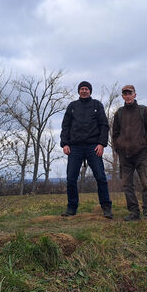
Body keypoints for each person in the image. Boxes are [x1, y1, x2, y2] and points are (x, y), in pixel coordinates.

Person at [60, 81, 113, 219]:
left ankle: (106, 208)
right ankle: (71, 208)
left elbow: (104, 125)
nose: (84, 91)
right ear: (79, 91)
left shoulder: (97, 105)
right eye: (82, 89)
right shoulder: (72, 106)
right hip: (75, 147)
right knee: (71, 178)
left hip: (93, 146)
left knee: (101, 177)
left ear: (90, 91)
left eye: (86, 89)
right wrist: (65, 144)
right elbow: (65, 126)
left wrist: (101, 144)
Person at [112, 85, 147, 221]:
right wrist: (117, 148)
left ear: (134, 95)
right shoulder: (119, 113)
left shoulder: (144, 111)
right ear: (122, 96)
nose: (127, 96)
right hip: (124, 156)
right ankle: (134, 213)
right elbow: (114, 133)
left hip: (141, 155)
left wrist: (146, 147)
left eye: (130, 93)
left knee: (146, 184)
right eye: (125, 94)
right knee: (127, 185)